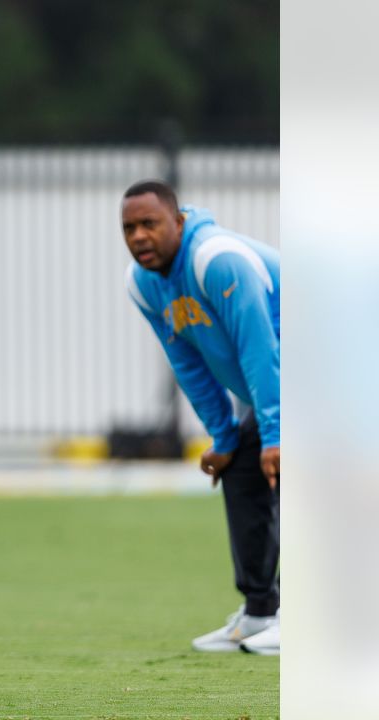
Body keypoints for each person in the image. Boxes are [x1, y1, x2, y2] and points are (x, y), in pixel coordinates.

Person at [121, 180, 279, 656]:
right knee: (240, 466)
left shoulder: (216, 259)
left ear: (179, 221)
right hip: (286, 383)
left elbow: (260, 348)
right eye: (129, 228)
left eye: (150, 223)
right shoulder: (143, 283)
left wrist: (276, 434)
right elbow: (188, 362)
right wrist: (224, 436)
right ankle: (259, 612)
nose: (139, 236)